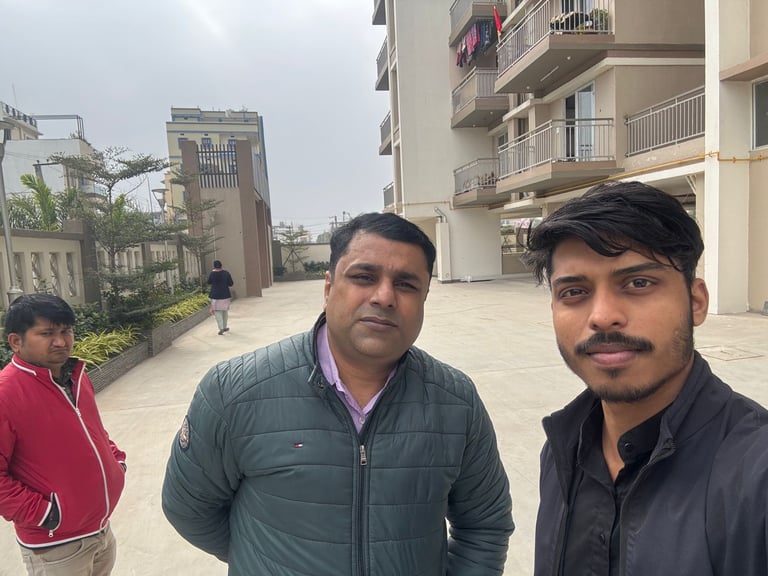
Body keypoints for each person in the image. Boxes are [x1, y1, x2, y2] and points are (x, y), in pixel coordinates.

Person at [162, 212, 514, 575]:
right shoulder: (234, 391)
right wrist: (265, 561)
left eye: (406, 284)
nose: (385, 296)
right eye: (364, 277)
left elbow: (485, 525)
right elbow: (189, 509)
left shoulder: (456, 402)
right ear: (328, 288)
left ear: (425, 297)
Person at [523, 181, 768, 576]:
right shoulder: (560, 451)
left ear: (696, 302)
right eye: (574, 291)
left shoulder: (755, 475)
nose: (603, 316)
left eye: (638, 283)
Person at [0, 294, 127, 576]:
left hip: (100, 530)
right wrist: (46, 515)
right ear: (16, 341)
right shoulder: (6, 394)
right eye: (47, 333)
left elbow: (93, 431)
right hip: (56, 547)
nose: (60, 341)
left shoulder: (75, 377)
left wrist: (116, 463)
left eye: (66, 331)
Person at [208, 259, 234, 335]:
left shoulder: (212, 274)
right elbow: (231, 283)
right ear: (221, 266)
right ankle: (225, 327)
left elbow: (208, 282)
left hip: (215, 296)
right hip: (225, 295)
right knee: (225, 311)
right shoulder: (226, 273)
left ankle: (221, 328)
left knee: (217, 312)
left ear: (214, 267)